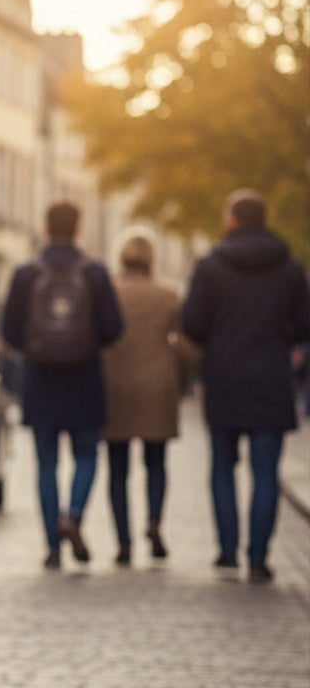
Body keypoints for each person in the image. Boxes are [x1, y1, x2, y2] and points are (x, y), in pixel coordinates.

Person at [180, 189, 310, 583]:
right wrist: (278, 338)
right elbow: (305, 324)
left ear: (231, 220)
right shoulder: (289, 267)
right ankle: (258, 556)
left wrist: (219, 339)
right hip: (271, 377)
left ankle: (227, 550)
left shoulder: (210, 266)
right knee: (266, 471)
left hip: (224, 376)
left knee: (222, 466)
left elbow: (192, 323)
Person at [0, 201, 123, 569]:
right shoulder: (96, 272)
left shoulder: (26, 273)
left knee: (46, 463)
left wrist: (38, 350)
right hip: (84, 378)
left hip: (40, 380)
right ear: (79, 228)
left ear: (46, 227)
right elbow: (114, 327)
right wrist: (83, 345)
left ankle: (53, 546)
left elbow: (8, 331)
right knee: (87, 455)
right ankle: (73, 515)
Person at [100, 230, 195, 565]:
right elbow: (186, 349)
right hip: (157, 387)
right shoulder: (168, 295)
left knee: (117, 469)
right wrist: (183, 384)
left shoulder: (108, 291)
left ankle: (123, 541)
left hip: (115, 387)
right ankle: (154, 523)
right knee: (156, 463)